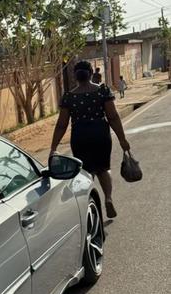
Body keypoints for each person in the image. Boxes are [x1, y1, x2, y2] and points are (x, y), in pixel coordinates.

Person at [49, 60, 131, 219]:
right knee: (103, 168)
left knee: (86, 173)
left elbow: (61, 124)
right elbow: (112, 117)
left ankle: (89, 206)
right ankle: (108, 198)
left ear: (75, 76)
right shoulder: (102, 91)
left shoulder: (69, 97)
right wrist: (122, 139)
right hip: (100, 135)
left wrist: (53, 147)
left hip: (80, 137)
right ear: (91, 73)